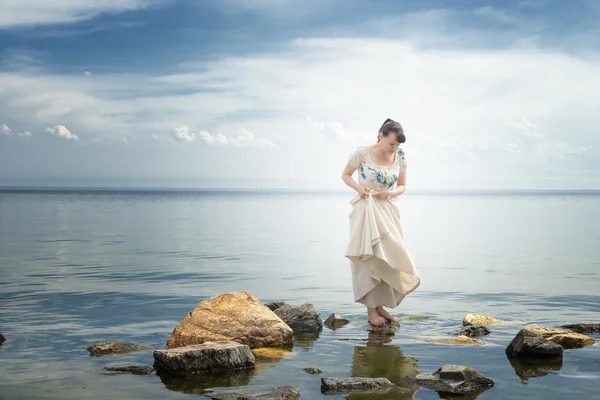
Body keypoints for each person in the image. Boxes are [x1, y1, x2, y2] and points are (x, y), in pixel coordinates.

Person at [341, 118, 420, 327]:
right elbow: (346, 175)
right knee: (369, 256)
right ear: (381, 135)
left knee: (389, 259)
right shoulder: (363, 152)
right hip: (365, 210)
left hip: (388, 211)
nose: (394, 148)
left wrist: (389, 193)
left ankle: (381, 305)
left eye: (397, 145)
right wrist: (359, 188)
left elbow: (402, 185)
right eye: (391, 143)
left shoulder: (400, 156)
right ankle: (371, 311)